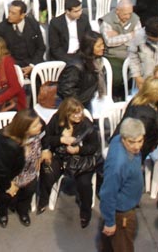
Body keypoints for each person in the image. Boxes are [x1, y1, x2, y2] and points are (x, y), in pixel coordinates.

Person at [39, 97, 102, 228]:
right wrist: (61, 140)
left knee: (84, 183)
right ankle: (43, 200)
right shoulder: (57, 120)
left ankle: (86, 212)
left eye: (80, 112)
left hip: (80, 159)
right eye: (75, 113)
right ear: (66, 114)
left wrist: (78, 149)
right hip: (60, 156)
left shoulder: (86, 125)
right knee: (47, 171)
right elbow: (46, 138)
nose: (79, 115)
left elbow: (94, 146)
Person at [0, 108, 45, 229]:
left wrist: (43, 151)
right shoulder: (8, 145)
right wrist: (9, 186)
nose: (40, 126)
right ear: (25, 129)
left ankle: (23, 210)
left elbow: (48, 131)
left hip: (25, 168)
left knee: (31, 187)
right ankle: (2, 212)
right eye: (36, 125)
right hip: (7, 173)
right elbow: (1, 171)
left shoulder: (34, 134)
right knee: (6, 195)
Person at [99, 117, 145, 252]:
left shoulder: (118, 139)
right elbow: (108, 193)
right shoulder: (118, 165)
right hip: (122, 213)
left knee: (111, 245)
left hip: (125, 206)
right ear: (123, 139)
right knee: (123, 247)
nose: (137, 146)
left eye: (140, 141)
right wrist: (110, 222)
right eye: (132, 142)